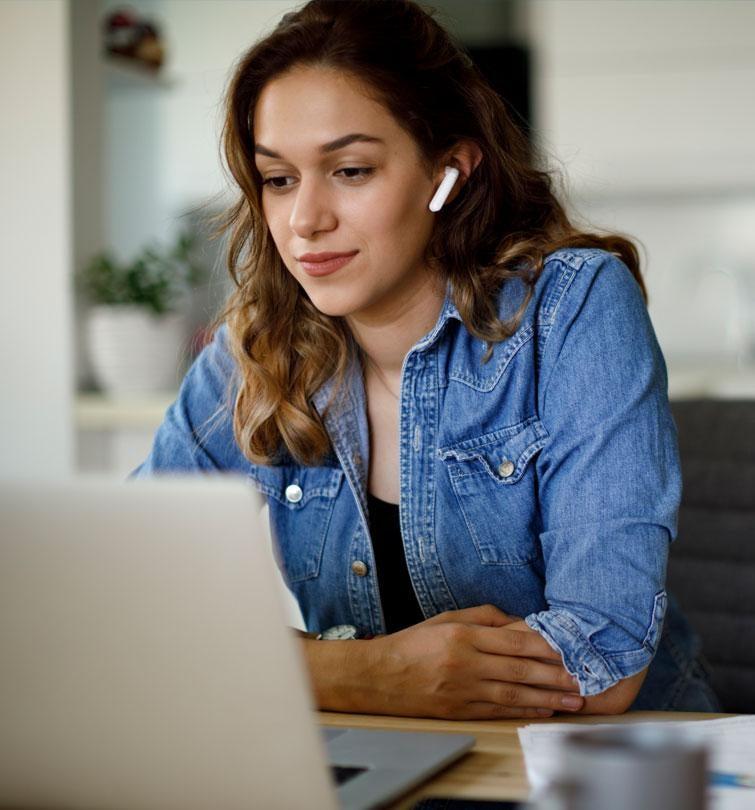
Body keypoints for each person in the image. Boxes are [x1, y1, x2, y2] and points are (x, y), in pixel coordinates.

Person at [132, 0, 719, 719]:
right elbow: (127, 600)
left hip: (601, 771)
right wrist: (360, 674)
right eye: (278, 179)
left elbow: (600, 662)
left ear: (449, 172)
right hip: (382, 754)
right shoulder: (256, 347)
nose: (304, 220)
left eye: (349, 170)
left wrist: (283, 666)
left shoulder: (572, 308)